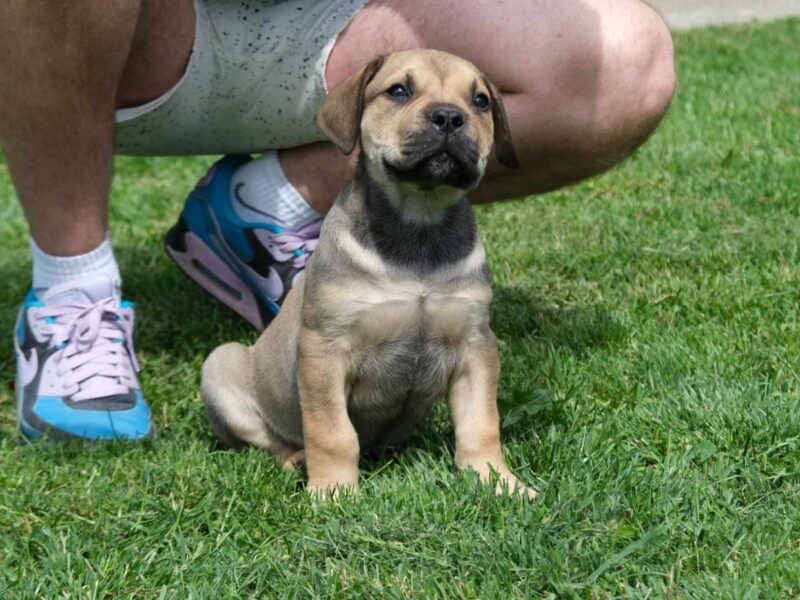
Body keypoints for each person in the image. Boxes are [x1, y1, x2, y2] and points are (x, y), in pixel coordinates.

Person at [0, 0, 675, 441]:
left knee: (626, 58)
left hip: (343, 19)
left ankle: (269, 210)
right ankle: (72, 289)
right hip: (121, 28)